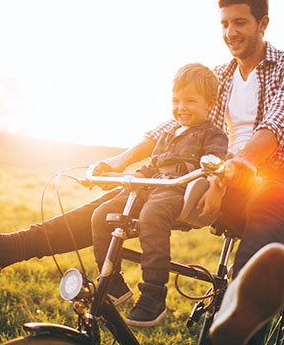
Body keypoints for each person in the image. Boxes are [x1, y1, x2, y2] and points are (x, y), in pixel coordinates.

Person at [0, 0, 284, 345]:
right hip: (215, 178)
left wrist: (238, 163)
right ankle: (3, 250)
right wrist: (121, 160)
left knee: (269, 197)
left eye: (240, 23)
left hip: (272, 176)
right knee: (123, 200)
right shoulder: (219, 77)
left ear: (263, 23)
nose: (231, 32)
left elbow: (278, 122)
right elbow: (176, 127)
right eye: (225, 24)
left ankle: (238, 322)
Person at [90, 63, 228, 327]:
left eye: (190, 101)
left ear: (210, 103)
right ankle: (113, 282)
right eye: (176, 101)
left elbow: (216, 162)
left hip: (179, 190)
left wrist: (214, 182)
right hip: (151, 187)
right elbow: (152, 165)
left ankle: (153, 295)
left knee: (152, 216)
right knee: (101, 215)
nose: (181, 107)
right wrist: (131, 178)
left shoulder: (213, 134)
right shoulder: (167, 135)